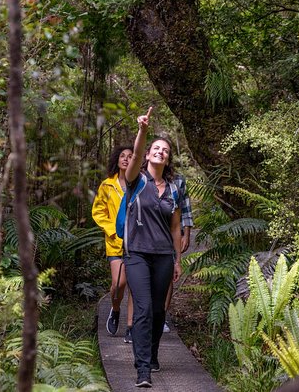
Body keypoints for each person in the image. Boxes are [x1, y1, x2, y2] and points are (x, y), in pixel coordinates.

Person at [118, 107, 182, 388]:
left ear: (168, 159)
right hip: (136, 255)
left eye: (165, 150)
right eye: (156, 148)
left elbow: (176, 228)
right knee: (143, 308)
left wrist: (178, 260)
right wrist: (143, 131)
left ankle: (152, 355)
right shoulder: (135, 180)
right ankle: (142, 369)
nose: (160, 152)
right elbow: (135, 155)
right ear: (146, 154)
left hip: (164, 257)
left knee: (158, 311)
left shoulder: (174, 189)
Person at [92, 146, 135, 342]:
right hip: (115, 242)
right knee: (119, 283)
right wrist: (113, 231)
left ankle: (130, 327)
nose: (126, 159)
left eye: (130, 156)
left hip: (137, 241)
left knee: (134, 285)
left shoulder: (141, 183)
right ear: (117, 160)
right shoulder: (107, 185)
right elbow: (99, 212)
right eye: (122, 156)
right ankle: (115, 308)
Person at [163, 173, 193, 332]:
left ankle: (161, 317)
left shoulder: (178, 180)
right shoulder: (142, 177)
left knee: (167, 276)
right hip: (150, 235)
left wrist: (186, 234)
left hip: (172, 234)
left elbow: (185, 207)